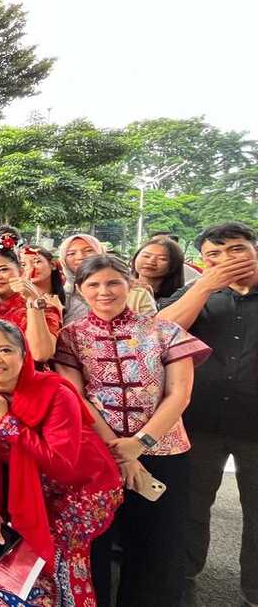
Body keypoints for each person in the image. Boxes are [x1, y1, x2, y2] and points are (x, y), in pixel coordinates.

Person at [53, 254, 210, 607]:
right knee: (96, 542)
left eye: (112, 282)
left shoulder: (165, 330)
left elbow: (179, 394)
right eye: (93, 285)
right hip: (99, 455)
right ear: (80, 290)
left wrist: (140, 443)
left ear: (131, 284)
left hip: (164, 452)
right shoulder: (71, 337)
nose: (103, 291)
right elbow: (75, 398)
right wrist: (116, 448)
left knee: (157, 544)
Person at [0, 320, 122, 607]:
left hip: (85, 489)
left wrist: (5, 420)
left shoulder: (55, 392)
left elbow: (62, 465)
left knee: (59, 557)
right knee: (10, 556)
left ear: (24, 354)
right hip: (35, 488)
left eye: (5, 350)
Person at [157, 222, 258, 606]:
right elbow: (160, 332)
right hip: (200, 422)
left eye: (235, 250)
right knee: (192, 505)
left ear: (254, 248)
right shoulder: (199, 293)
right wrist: (202, 286)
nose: (226, 261)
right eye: (214, 255)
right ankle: (185, 577)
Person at [0, 234, 60, 363]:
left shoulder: (44, 305)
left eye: (3, 269)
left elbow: (40, 355)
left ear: (21, 271)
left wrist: (32, 304)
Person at [58, 233, 155, 323]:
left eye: (89, 250)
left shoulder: (137, 293)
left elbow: (152, 329)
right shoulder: (59, 294)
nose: (80, 257)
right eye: (71, 254)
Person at [132, 236, 186, 301]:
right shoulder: (124, 289)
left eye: (162, 259)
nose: (151, 262)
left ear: (174, 264)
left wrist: (149, 299)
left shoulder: (181, 298)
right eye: (146, 256)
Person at [19, 243, 66, 314]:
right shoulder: (17, 299)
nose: (30, 268)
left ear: (52, 264)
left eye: (36, 262)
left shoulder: (68, 299)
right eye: (23, 265)